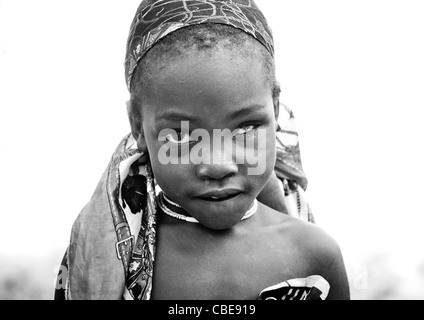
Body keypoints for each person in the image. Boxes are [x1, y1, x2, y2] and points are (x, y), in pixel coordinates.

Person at [55, 0, 350, 300]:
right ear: (138, 126)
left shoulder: (315, 257)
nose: (218, 165)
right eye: (182, 136)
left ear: (275, 110)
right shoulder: (106, 266)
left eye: (245, 128)